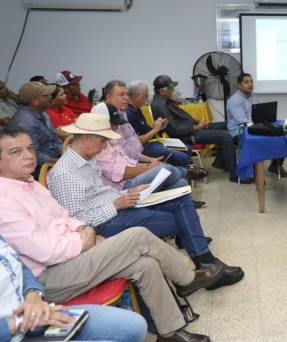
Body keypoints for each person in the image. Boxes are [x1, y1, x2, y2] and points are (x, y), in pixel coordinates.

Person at [0, 127, 222, 342]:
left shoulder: (30, 183)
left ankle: (170, 331)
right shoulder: (5, 201)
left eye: (30, 149)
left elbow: (65, 217)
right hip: (48, 277)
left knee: (145, 264)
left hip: (71, 254)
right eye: (16, 152)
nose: (28, 156)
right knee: (138, 236)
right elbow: (46, 252)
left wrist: (84, 231)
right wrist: (83, 238)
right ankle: (187, 279)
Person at [48, 113, 243, 290]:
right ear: (86, 138)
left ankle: (205, 263)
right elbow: (79, 222)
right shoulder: (65, 174)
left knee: (180, 197)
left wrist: (126, 193)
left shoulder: (86, 159)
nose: (105, 145)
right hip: (104, 224)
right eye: (103, 141)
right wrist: (116, 204)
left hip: (117, 208)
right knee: (180, 221)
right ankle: (193, 273)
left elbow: (100, 192)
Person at [0, 235, 148, 342]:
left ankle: (169, 327)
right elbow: (48, 252)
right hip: (16, 329)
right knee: (138, 237)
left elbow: (17, 265)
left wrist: (33, 295)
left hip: (38, 313)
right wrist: (18, 322)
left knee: (134, 325)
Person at [92, 81, 192, 192]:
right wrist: (149, 166)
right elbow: (119, 169)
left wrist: (149, 162)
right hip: (123, 183)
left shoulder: (121, 114)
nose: (126, 98)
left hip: (137, 158)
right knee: (167, 167)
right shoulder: (99, 139)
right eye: (121, 95)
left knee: (181, 183)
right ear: (109, 97)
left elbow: (125, 155)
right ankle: (188, 172)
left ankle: (184, 176)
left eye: (127, 94)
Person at [151, 75, 239, 182]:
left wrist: (199, 122)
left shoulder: (164, 100)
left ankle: (221, 162)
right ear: (162, 91)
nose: (173, 90)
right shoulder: (160, 106)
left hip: (192, 129)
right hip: (186, 136)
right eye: (170, 88)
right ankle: (235, 174)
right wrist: (196, 127)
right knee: (225, 135)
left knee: (226, 125)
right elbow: (175, 129)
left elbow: (182, 117)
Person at [227, 72, 287, 182]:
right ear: (239, 85)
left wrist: (266, 121)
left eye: (251, 82)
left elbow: (262, 112)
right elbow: (242, 122)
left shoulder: (253, 97)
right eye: (246, 82)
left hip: (253, 127)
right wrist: (260, 125)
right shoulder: (234, 100)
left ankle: (275, 165)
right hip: (238, 132)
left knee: (280, 134)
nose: (250, 84)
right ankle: (256, 173)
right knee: (258, 141)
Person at [126, 80, 193, 168]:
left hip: (151, 142)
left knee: (187, 149)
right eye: (145, 96)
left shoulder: (137, 109)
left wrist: (159, 127)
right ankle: (180, 174)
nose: (146, 99)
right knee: (182, 157)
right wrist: (155, 129)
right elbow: (138, 141)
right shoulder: (128, 113)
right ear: (135, 96)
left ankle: (183, 172)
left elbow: (144, 129)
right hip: (142, 148)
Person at [8, 82, 62, 174]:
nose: (50, 96)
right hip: (36, 169)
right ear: (34, 102)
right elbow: (34, 156)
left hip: (54, 159)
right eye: (45, 95)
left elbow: (55, 138)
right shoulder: (25, 122)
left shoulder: (43, 113)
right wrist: (60, 162)